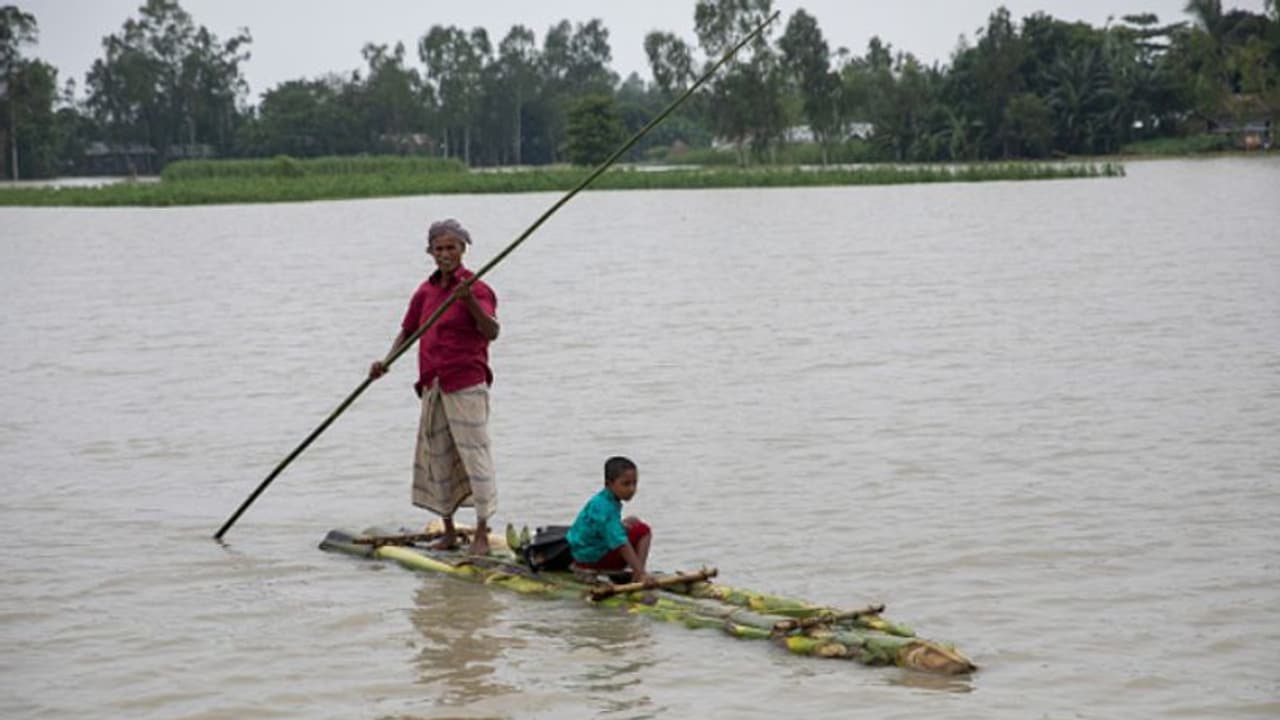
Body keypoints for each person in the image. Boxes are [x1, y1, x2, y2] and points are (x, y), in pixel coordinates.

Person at [369, 218, 500, 555]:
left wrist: (467, 300)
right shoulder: (426, 292)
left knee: (475, 457)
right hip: (433, 384)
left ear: (462, 250)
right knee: (439, 456)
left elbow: (491, 331)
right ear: (430, 252)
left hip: (466, 382)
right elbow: (409, 331)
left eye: (451, 248)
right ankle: (449, 530)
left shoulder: (477, 288)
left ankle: (483, 533)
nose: (445, 254)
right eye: (439, 249)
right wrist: (386, 361)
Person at [566, 456, 654, 585]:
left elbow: (602, 527)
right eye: (626, 484)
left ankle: (638, 571)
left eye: (634, 483)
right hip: (591, 559)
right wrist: (642, 573)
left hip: (581, 553)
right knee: (643, 531)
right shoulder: (606, 508)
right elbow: (621, 544)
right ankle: (638, 575)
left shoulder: (602, 499)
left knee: (633, 521)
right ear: (609, 484)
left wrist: (621, 526)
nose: (632, 489)